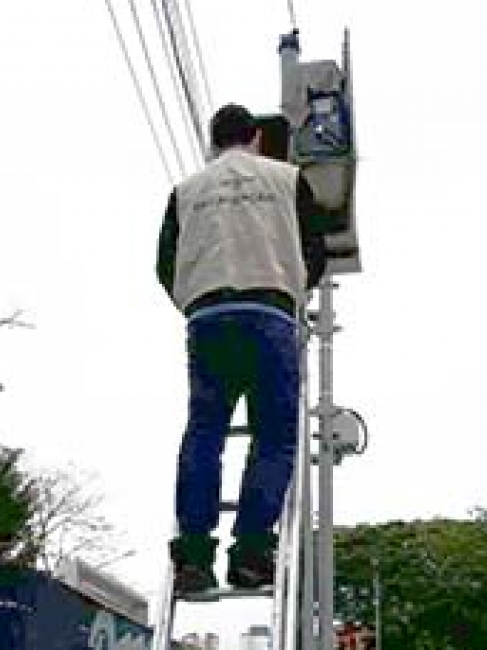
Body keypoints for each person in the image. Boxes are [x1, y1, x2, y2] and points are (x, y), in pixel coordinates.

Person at [155, 103, 327, 595]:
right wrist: (293, 288)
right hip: (269, 313)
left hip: (207, 318)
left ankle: (192, 556)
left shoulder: (185, 192)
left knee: (205, 431)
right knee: (273, 435)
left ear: (213, 142)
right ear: (254, 137)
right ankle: (252, 552)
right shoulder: (287, 179)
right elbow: (315, 249)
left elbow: (164, 262)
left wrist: (194, 299)